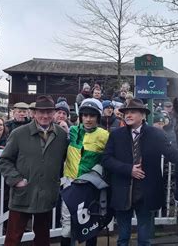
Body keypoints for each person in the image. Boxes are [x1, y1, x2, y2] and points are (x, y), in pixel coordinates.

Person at [102, 98, 178, 246]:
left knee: (144, 240)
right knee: (122, 239)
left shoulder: (156, 134)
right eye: (126, 112)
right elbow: (106, 159)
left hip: (146, 194)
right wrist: (129, 170)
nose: (128, 115)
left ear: (143, 115)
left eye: (132, 112)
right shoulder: (116, 135)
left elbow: (172, 154)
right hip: (123, 193)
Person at [0, 95, 68, 246]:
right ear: (34, 113)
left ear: (54, 113)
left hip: (47, 192)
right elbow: (4, 160)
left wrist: (55, 181)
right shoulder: (18, 133)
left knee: (43, 238)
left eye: (49, 112)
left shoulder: (62, 135)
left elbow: (65, 160)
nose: (45, 116)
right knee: (13, 238)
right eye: (41, 112)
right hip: (23, 192)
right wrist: (16, 180)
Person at [60, 98, 109, 246]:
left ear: (97, 117)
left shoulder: (104, 135)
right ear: (80, 116)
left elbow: (109, 159)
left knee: (89, 220)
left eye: (92, 116)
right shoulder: (73, 131)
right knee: (67, 222)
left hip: (89, 185)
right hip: (70, 183)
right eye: (85, 115)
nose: (88, 119)